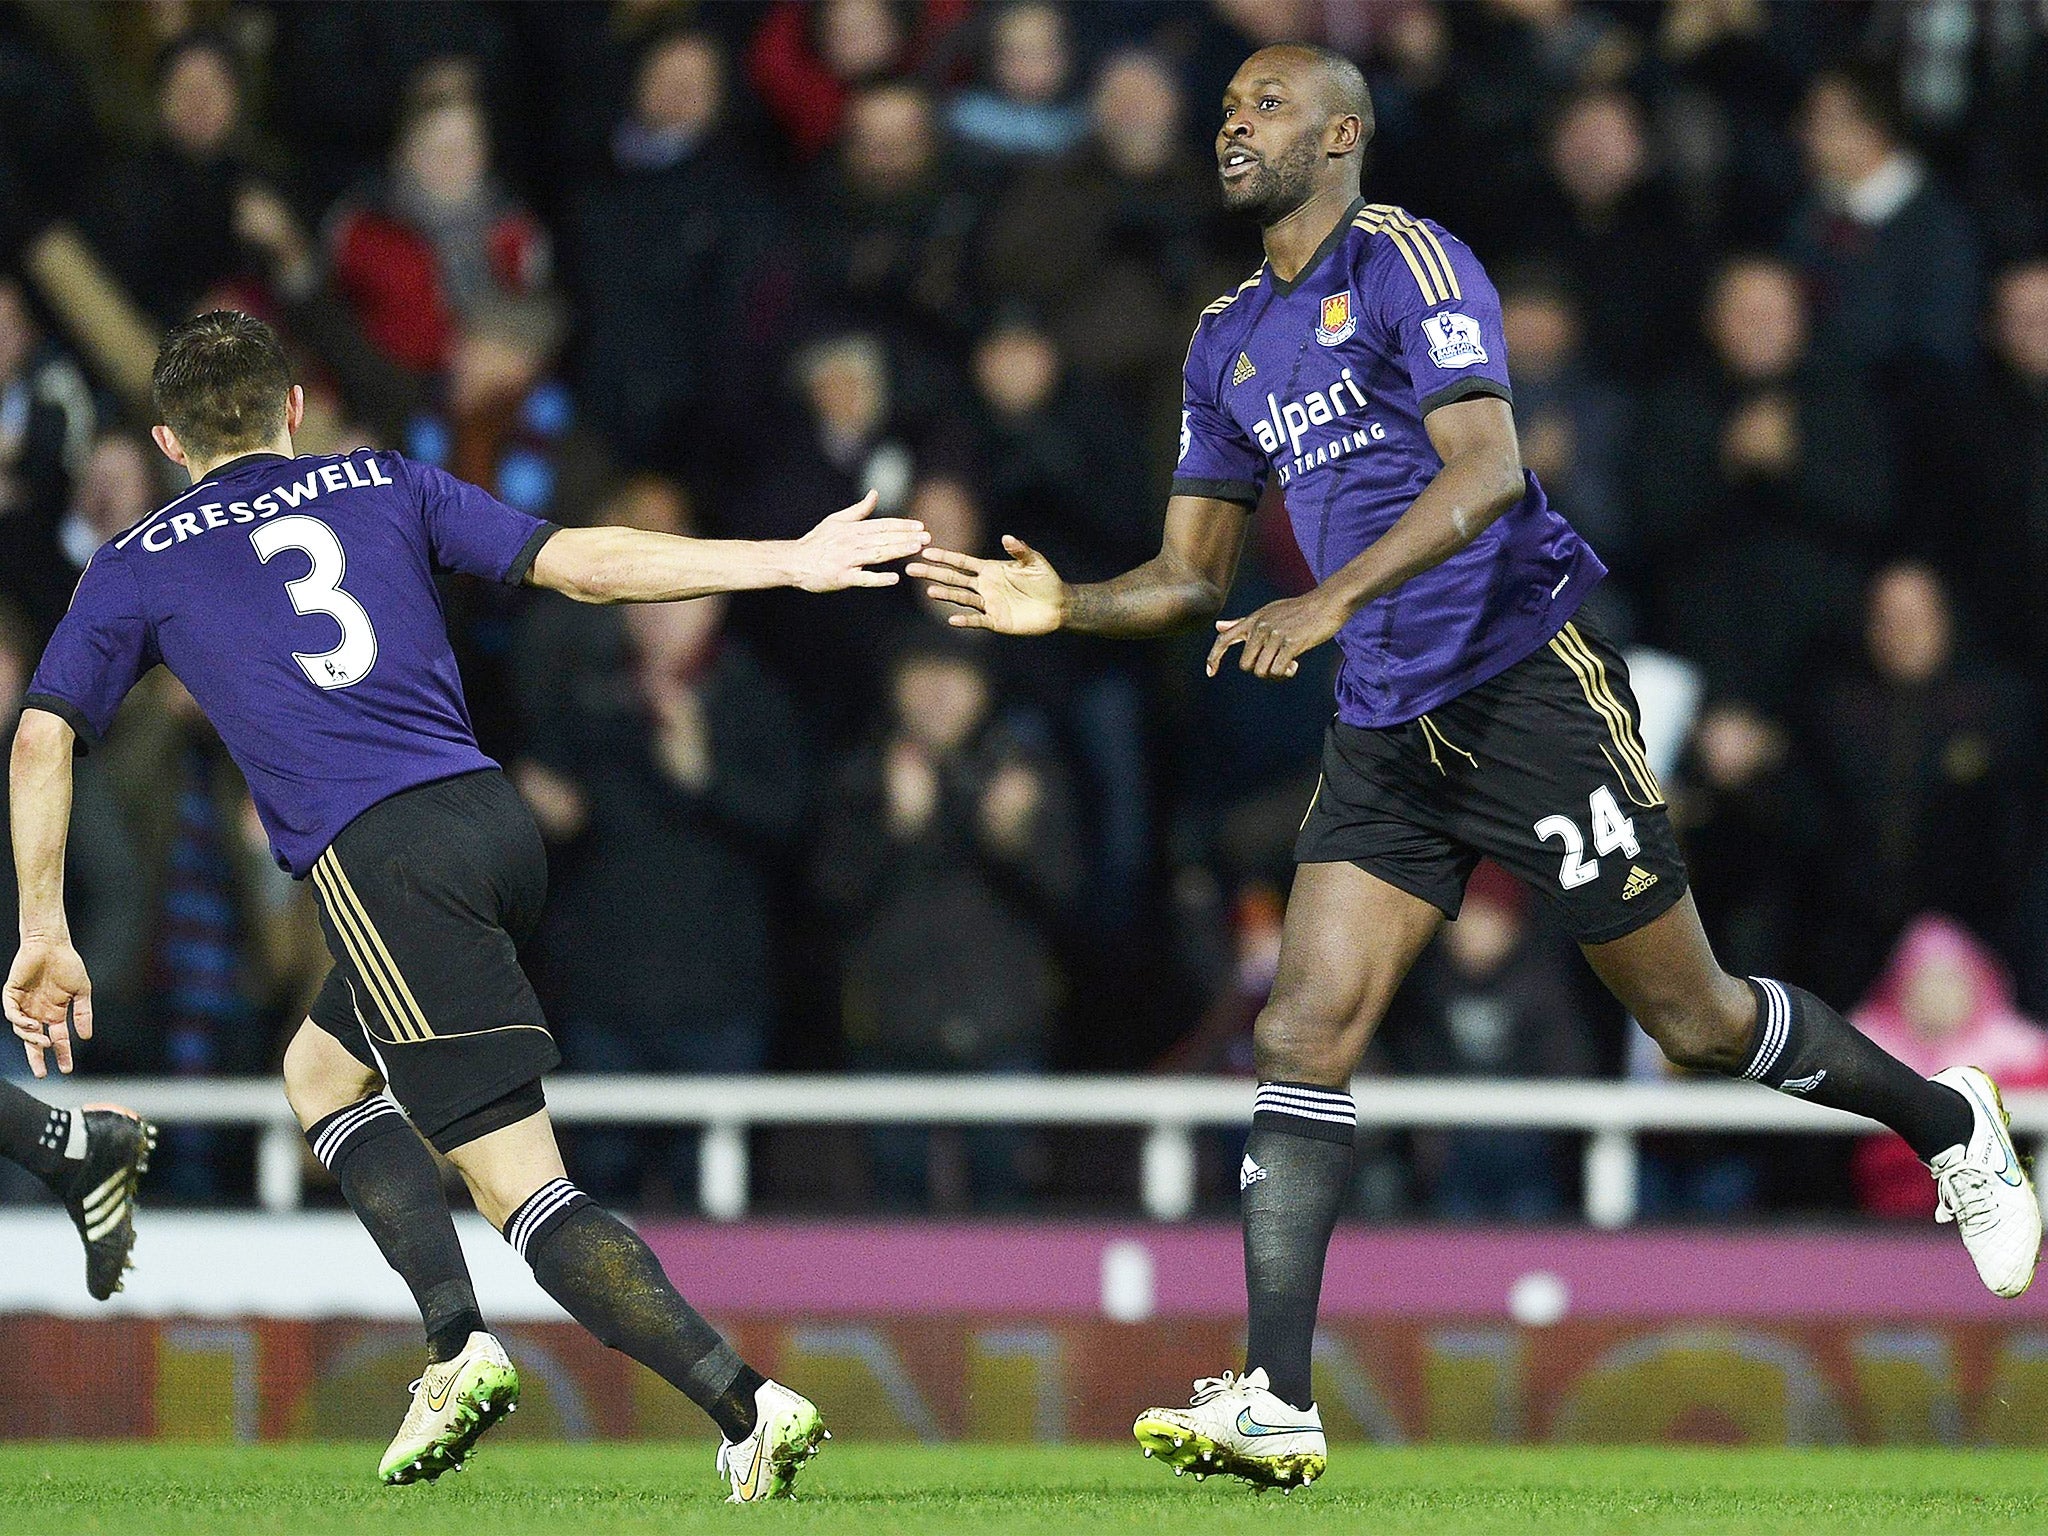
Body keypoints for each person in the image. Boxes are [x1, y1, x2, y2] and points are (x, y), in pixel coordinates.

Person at [911, 43, 2040, 1493]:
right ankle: (1276, 1397)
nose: (1230, 121)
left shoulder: (1408, 263)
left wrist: (1324, 600)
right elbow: (1194, 572)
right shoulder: (1222, 339)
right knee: (1302, 1029)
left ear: (1341, 136)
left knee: (1694, 1026)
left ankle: (1949, 1121)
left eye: (1265, 103)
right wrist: (1066, 604)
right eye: (1229, 99)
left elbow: (1491, 470)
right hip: (1386, 726)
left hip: (1523, 689)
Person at [6, 312, 927, 1498]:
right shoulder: (380, 477)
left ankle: (741, 1404)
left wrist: (44, 927)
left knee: (521, 1192)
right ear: (293, 411)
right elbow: (580, 561)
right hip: (491, 828)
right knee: (321, 1075)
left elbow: (41, 739)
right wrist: (780, 558)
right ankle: (452, 1344)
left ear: (170, 443)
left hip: (383, 862)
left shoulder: (138, 559)